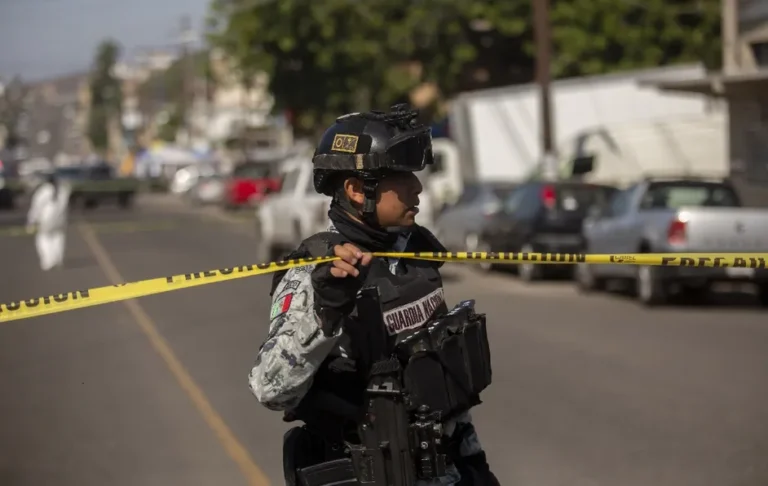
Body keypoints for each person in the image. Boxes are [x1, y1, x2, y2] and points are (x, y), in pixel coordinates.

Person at [248, 104, 499, 485]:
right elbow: (270, 388)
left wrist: (474, 463)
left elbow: (445, 392)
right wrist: (325, 314)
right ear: (355, 189)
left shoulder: (414, 254)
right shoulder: (317, 275)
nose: (417, 188)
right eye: (401, 178)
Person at [26, 171, 71, 271]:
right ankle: (58, 259)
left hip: (46, 219)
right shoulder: (63, 190)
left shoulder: (44, 191)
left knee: (43, 238)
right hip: (60, 219)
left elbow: (36, 207)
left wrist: (31, 221)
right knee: (58, 237)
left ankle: (48, 260)